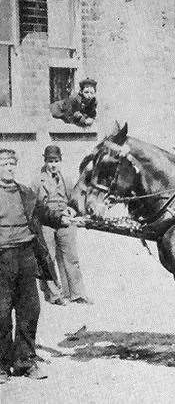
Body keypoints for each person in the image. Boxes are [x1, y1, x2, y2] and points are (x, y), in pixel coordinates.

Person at [0, 148, 71, 383]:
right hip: (2, 257)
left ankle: (24, 361)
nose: (9, 167)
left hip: (26, 255)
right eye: (3, 163)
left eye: (12, 163)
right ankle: (1, 365)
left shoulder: (25, 193)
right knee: (1, 312)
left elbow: (44, 212)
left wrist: (62, 218)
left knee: (30, 310)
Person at [35, 145, 89, 305]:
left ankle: (77, 293)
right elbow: (35, 205)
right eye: (50, 161)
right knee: (48, 258)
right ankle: (53, 295)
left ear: (60, 161)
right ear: (45, 161)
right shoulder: (38, 180)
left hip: (65, 220)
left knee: (71, 257)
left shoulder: (67, 178)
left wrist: (72, 211)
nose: (53, 164)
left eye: (56, 161)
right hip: (47, 221)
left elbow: (74, 200)